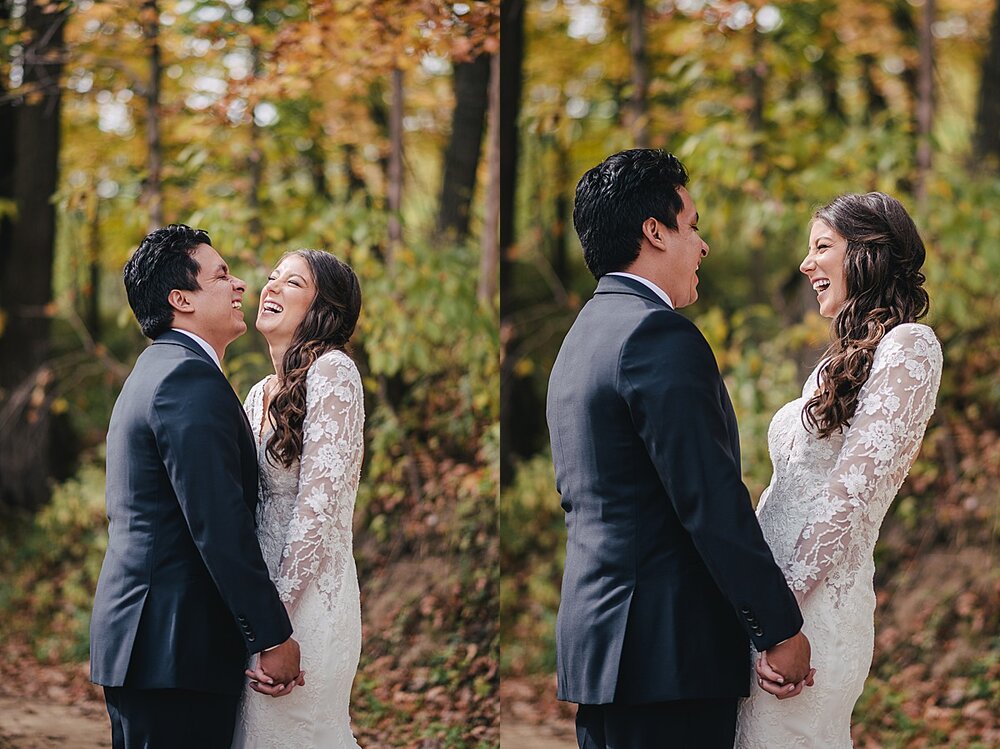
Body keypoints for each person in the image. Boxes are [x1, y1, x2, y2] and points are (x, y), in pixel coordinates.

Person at [546, 148, 813, 749]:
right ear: (655, 232)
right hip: (667, 655)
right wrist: (778, 627)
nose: (703, 246)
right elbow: (709, 499)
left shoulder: (581, 338)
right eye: (692, 226)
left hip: (603, 648)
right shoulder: (656, 334)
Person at [735, 192, 942, 747]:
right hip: (775, 608)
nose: (806, 264)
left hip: (809, 614)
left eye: (822, 247)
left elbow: (848, 495)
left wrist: (780, 619)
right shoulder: (842, 362)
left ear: (867, 254)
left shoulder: (910, 347)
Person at [90, 225, 302, 749]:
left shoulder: (159, 369)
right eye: (222, 275)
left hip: (157, 646)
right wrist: (272, 634)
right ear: (180, 299)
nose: (241, 286)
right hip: (173, 648)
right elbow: (218, 522)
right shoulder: (186, 378)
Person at [232, 249, 365, 748]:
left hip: (305, 608)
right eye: (271, 278)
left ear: (322, 308)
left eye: (292, 282)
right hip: (260, 608)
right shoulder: (258, 392)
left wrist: (276, 627)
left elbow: (316, 512)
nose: (270, 287)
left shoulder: (334, 375)